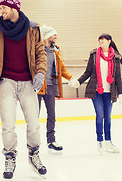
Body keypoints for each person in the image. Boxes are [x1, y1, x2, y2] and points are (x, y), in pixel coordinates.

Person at [0, 0, 47, 180]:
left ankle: (34, 154)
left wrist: (40, 73)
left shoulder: (33, 28)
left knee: (33, 123)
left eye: (3, 7)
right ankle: (10, 156)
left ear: (14, 7)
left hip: (28, 82)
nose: (1, 11)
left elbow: (41, 53)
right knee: (8, 125)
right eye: (0, 8)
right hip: (6, 81)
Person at [71, 33, 122, 153]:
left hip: (110, 91)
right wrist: (78, 82)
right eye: (99, 41)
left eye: (102, 40)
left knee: (108, 117)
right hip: (97, 91)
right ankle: (100, 142)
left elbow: (117, 76)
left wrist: (121, 93)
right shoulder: (94, 55)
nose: (100, 42)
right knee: (100, 116)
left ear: (109, 41)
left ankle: (109, 142)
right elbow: (88, 72)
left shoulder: (115, 57)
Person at [38, 25, 79, 154]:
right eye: (53, 34)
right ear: (45, 36)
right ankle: (33, 143)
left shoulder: (56, 51)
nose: (56, 36)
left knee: (52, 115)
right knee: (34, 116)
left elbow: (61, 68)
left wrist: (71, 78)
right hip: (37, 87)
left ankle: (51, 141)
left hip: (51, 86)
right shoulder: (37, 50)